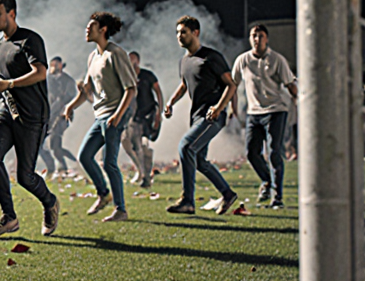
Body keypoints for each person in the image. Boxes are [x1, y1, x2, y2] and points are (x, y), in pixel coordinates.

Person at [0, 0, 60, 237]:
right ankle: (9, 217)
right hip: (7, 111)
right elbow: (1, 78)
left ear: (11, 14)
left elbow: (40, 73)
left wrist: (9, 84)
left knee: (25, 177)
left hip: (32, 116)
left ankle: (50, 203)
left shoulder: (30, 40)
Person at [62, 12, 137, 223]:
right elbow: (86, 89)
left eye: (91, 27)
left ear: (103, 29)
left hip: (114, 114)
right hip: (101, 115)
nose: (86, 30)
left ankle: (120, 209)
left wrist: (118, 115)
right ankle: (104, 194)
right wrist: (71, 105)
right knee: (85, 156)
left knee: (109, 162)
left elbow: (131, 89)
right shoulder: (93, 56)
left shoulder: (116, 54)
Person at [164, 15, 239, 215]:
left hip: (211, 115)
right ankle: (228, 194)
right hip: (196, 115)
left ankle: (188, 201)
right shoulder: (184, 61)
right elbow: (184, 85)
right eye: (178, 32)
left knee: (186, 147)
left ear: (195, 33)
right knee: (198, 160)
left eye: (183, 32)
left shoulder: (211, 57)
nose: (179, 36)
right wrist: (171, 102)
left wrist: (219, 108)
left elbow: (231, 85)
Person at [230, 24, 297, 208]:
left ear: (267, 39)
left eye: (260, 36)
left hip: (276, 111)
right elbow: (232, 85)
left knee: (274, 152)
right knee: (251, 153)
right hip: (254, 113)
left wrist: (299, 101)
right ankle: (267, 181)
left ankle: (278, 198)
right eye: (254, 35)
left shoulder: (277, 60)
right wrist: (230, 107)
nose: (256, 39)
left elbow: (290, 84)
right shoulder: (242, 60)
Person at [120, 51, 162, 189]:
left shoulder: (147, 75)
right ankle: (141, 171)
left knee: (143, 145)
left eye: (133, 60)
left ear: (138, 61)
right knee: (129, 142)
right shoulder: (125, 77)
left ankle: (145, 175)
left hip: (148, 114)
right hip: (133, 116)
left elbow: (158, 92)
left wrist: (159, 113)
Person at [38, 57, 78, 175]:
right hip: (48, 115)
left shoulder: (68, 80)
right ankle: (52, 166)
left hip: (62, 115)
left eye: (55, 65)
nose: (53, 67)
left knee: (55, 142)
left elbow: (71, 98)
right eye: (51, 65)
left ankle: (65, 166)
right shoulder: (47, 80)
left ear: (61, 65)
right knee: (40, 143)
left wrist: (64, 109)